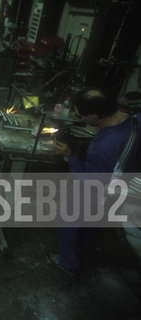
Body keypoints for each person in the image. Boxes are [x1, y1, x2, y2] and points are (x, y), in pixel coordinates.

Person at [48, 89, 141, 275]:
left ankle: (67, 262)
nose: (79, 118)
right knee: (93, 214)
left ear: (93, 116)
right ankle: (85, 243)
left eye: (80, 115)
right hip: (126, 180)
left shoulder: (105, 145)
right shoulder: (135, 119)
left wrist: (70, 155)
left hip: (103, 187)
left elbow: (87, 179)